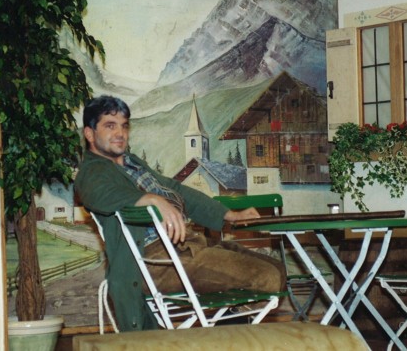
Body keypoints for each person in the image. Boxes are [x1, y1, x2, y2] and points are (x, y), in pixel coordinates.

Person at [75, 95, 286, 331]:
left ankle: (226, 330)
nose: (120, 133)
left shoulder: (131, 162)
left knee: (277, 268)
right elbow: (99, 193)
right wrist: (151, 199)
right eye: (110, 126)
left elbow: (176, 189)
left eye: (124, 126)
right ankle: (225, 338)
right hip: (156, 260)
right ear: (90, 134)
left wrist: (229, 215)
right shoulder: (92, 172)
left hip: (185, 246)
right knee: (266, 277)